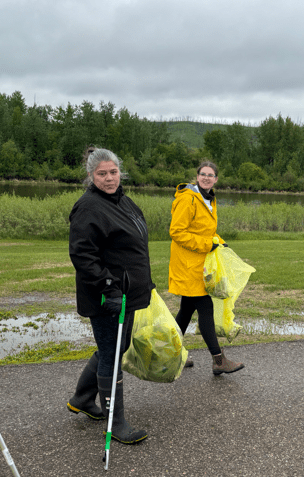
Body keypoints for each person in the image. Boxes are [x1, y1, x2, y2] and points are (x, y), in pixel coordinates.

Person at [67, 147, 153, 445]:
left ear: (120, 172)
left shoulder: (123, 201)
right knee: (112, 355)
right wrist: (108, 287)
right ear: (91, 176)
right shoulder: (89, 207)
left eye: (113, 172)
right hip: (107, 297)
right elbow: (82, 254)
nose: (108, 178)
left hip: (127, 293)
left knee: (114, 348)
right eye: (101, 174)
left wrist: (145, 284)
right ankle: (116, 423)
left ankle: (81, 398)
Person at [168, 161, 244, 375]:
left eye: (211, 175)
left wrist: (219, 241)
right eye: (203, 174)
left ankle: (170, 355)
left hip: (199, 264)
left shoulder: (208, 198)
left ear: (216, 179)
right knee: (205, 308)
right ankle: (218, 360)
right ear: (197, 176)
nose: (206, 178)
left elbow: (205, 230)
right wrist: (206, 245)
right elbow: (177, 232)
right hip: (188, 264)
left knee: (185, 311)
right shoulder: (188, 199)